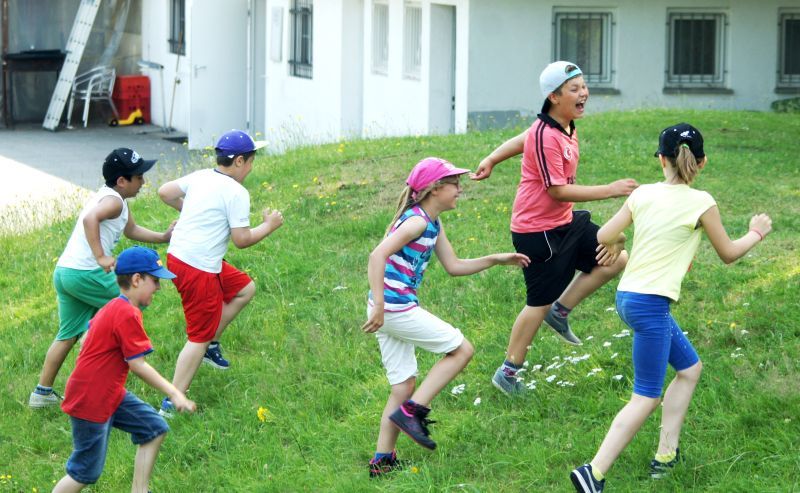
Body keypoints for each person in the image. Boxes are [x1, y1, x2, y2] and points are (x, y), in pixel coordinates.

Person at [569, 123, 773, 493]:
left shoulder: (643, 194)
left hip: (629, 297)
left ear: (661, 159)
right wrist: (756, 233)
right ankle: (593, 472)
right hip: (650, 307)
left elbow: (601, 236)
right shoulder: (702, 202)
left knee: (690, 368)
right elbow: (728, 253)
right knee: (645, 395)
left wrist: (618, 239)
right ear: (703, 162)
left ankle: (666, 456)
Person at [471, 61, 638, 396]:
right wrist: (610, 189)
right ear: (554, 96)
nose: (584, 93)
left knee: (615, 258)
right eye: (575, 89)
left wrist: (491, 158)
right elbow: (557, 190)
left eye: (584, 86)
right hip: (538, 233)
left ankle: (561, 312)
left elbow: (522, 138)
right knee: (538, 302)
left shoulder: (563, 125)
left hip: (563, 222)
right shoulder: (547, 134)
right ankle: (508, 372)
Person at [363, 157, 530, 477]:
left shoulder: (432, 223)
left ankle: (382, 462)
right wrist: (382, 305)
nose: (459, 190)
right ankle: (412, 413)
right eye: (454, 184)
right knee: (462, 349)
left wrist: (496, 259)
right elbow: (377, 255)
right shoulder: (417, 222)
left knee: (402, 386)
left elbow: (454, 266)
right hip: (394, 307)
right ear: (434, 189)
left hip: (389, 307)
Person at [29, 148, 174, 408]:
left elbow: (132, 230)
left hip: (66, 273)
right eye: (139, 176)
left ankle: (42, 393)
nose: (143, 182)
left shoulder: (116, 201)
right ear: (122, 181)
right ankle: (117, 369)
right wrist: (101, 257)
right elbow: (90, 219)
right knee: (132, 301)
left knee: (68, 333)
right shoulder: (114, 201)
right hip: (87, 272)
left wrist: (163, 236)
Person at [157, 129, 283, 415]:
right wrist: (269, 225)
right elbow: (242, 240)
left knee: (244, 289)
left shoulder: (202, 176)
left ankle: (211, 345)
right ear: (239, 161)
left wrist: (191, 209)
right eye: (251, 160)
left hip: (181, 255)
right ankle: (172, 402)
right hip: (197, 265)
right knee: (197, 336)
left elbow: (164, 192)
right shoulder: (236, 192)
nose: (252, 166)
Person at [53, 246, 196, 493]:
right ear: (137, 279)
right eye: (155, 281)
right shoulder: (126, 313)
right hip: (92, 400)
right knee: (84, 472)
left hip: (109, 393)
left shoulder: (113, 307)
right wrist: (174, 393)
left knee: (154, 428)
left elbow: (89, 335)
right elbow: (137, 364)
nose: (159, 288)